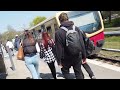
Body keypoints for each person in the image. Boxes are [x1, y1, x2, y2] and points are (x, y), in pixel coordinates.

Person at [55, 12, 87, 79]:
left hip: (65, 58)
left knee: (65, 72)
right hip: (77, 55)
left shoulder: (58, 32)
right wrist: (84, 56)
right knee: (78, 73)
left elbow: (58, 48)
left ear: (60, 21)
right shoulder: (76, 28)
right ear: (68, 19)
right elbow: (81, 43)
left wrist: (59, 61)